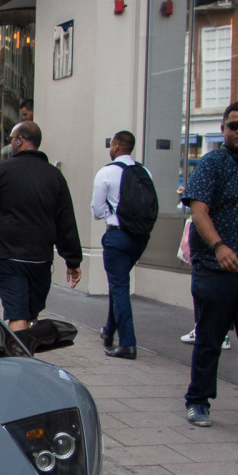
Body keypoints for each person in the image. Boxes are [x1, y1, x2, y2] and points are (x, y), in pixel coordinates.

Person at [0, 120, 82, 332]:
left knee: (17, 314)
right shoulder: (54, 176)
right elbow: (66, 221)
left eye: (12, 139)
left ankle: (20, 363)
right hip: (40, 258)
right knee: (30, 316)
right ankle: (27, 356)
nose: (10, 143)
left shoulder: (1, 171)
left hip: (9, 256)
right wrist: (72, 260)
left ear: (20, 140)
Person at [181, 100, 238, 427]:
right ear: (223, 129)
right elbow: (198, 210)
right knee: (209, 338)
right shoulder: (212, 163)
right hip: (215, 270)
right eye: (234, 126)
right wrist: (218, 247)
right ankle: (198, 401)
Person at [91, 131, 152, 359]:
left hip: (117, 236)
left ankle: (127, 343)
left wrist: (112, 213)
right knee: (119, 285)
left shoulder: (106, 172)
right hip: (139, 238)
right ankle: (108, 331)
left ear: (116, 146)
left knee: (119, 288)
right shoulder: (145, 172)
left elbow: (97, 211)